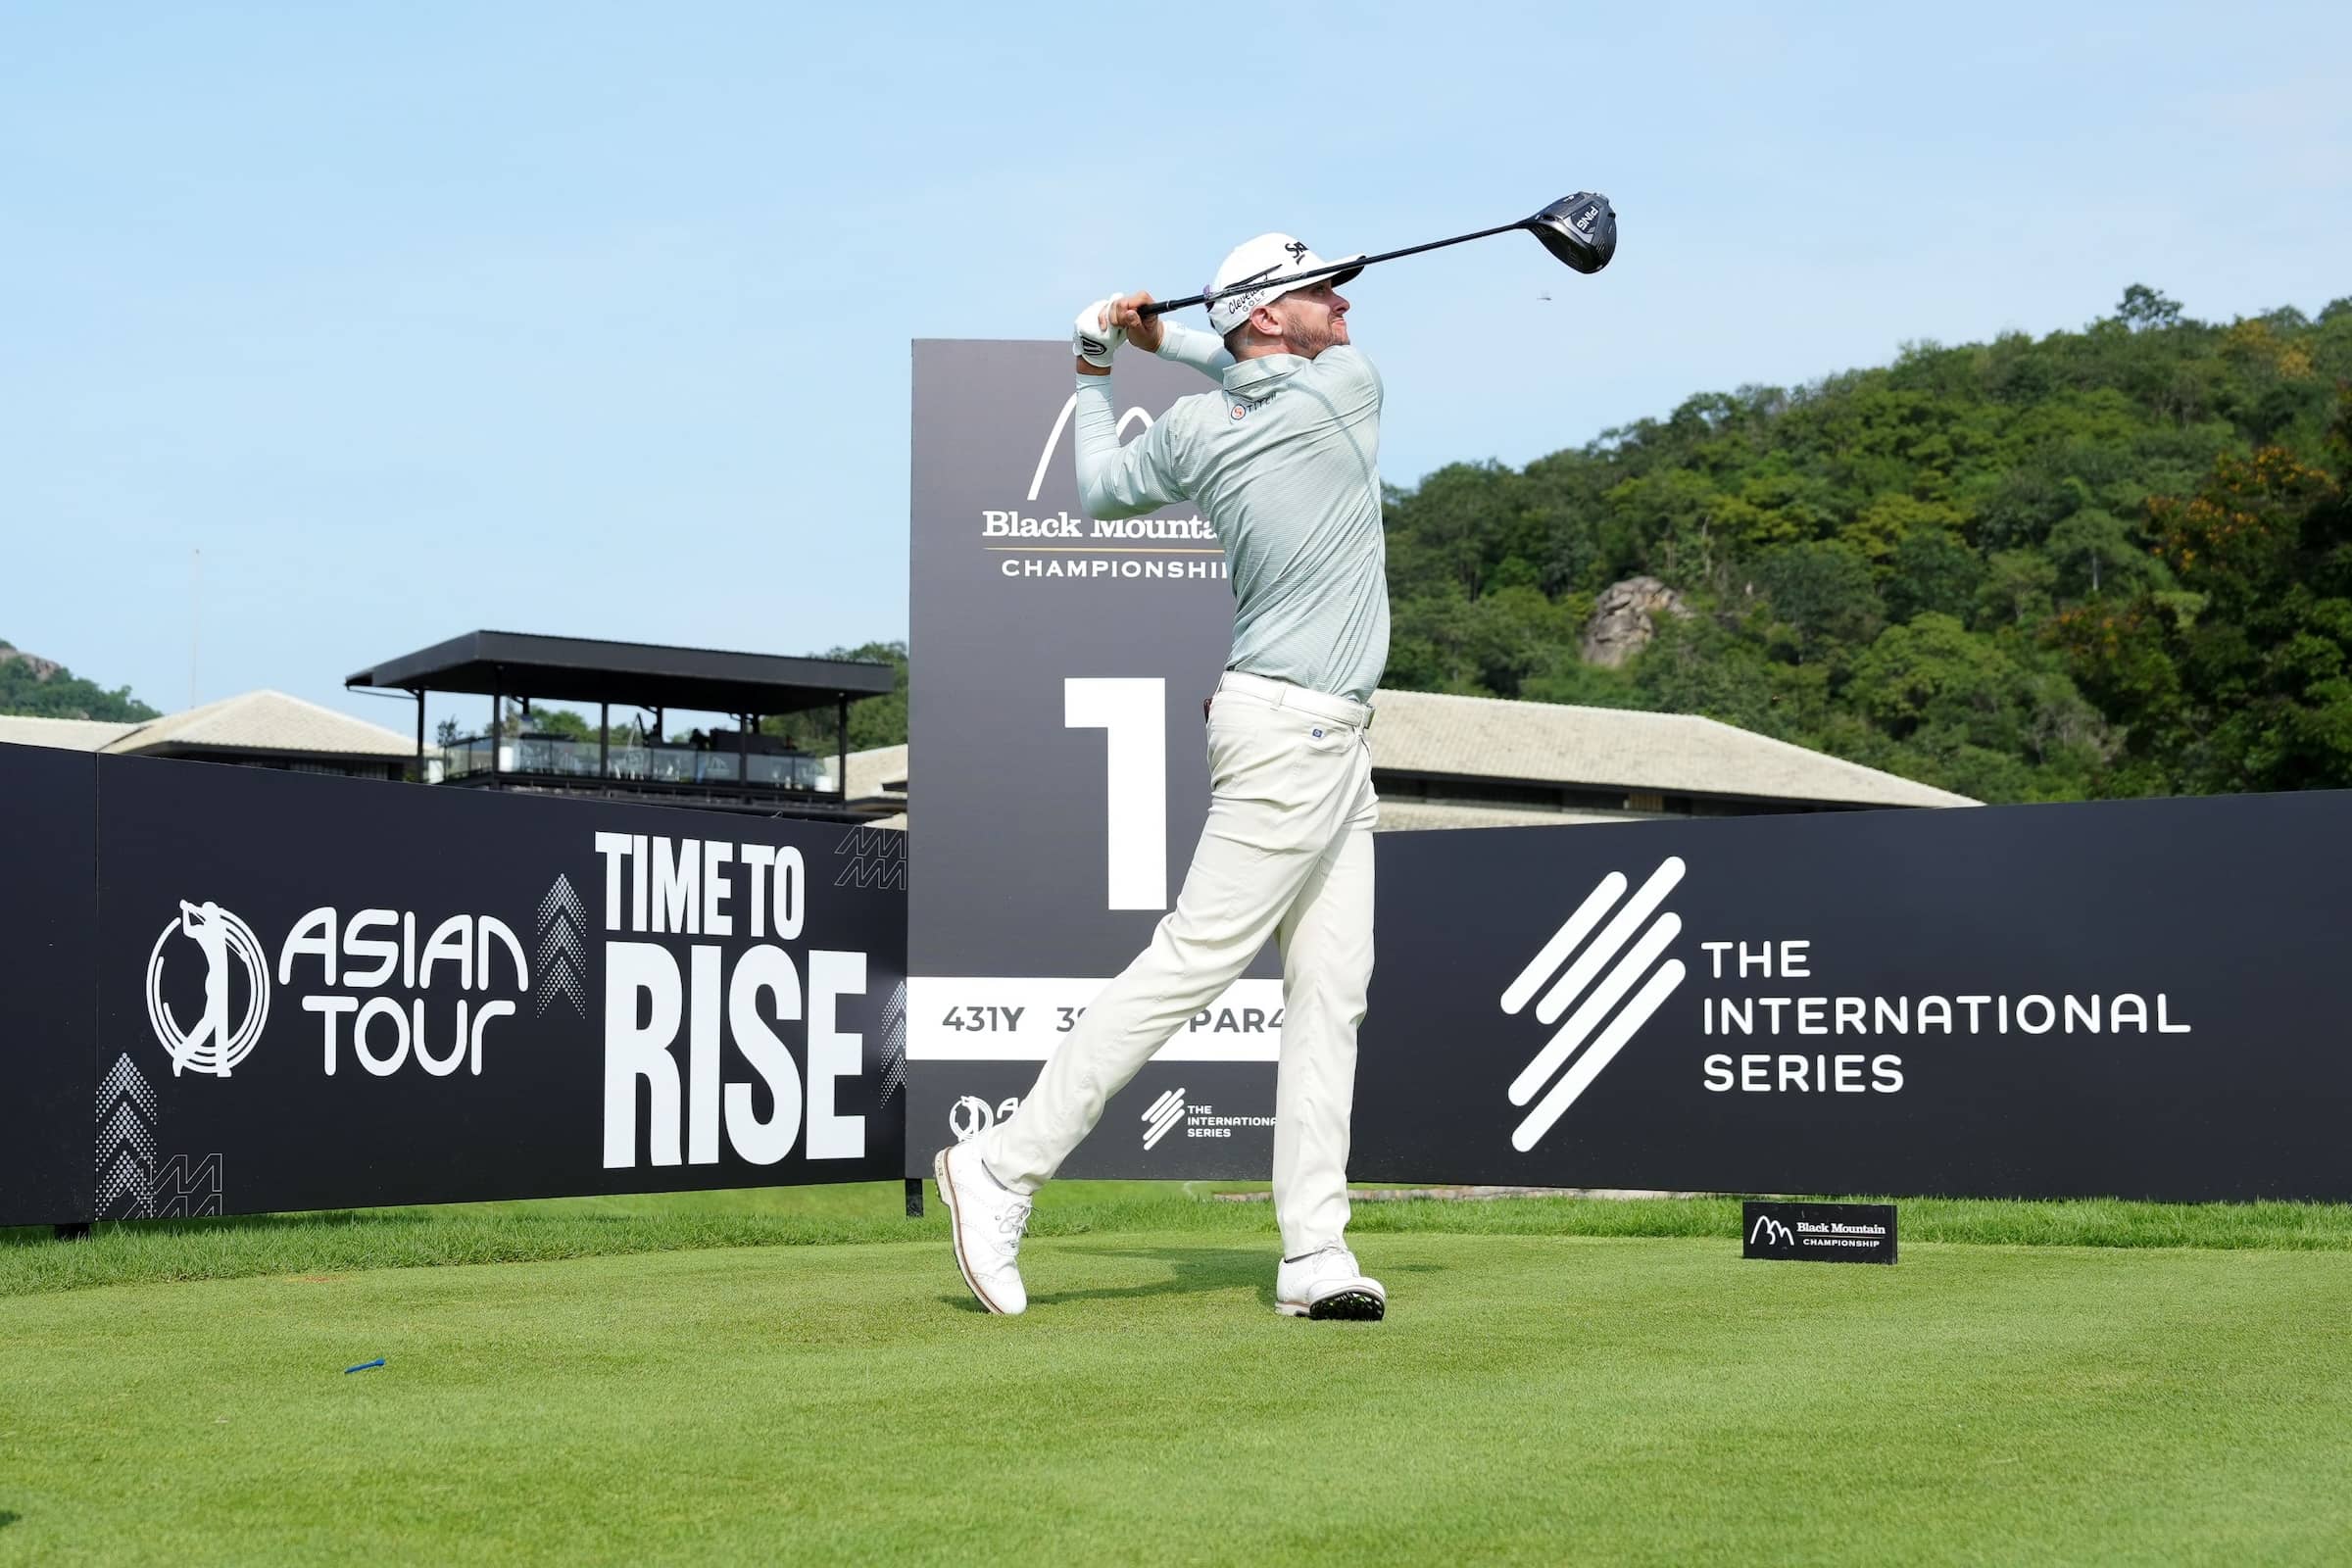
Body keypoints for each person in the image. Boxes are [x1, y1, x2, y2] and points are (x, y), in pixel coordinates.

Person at [935, 233, 1391, 1321]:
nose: (1346, 307)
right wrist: (1168, 340)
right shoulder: (1348, 391)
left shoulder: (1197, 427)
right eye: (1324, 291)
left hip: (1319, 730)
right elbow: (1245, 364)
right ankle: (1003, 1162)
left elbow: (1098, 487)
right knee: (1191, 963)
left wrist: (1104, 366)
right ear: (1274, 316)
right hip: (1291, 734)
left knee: (1332, 996)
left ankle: (1313, 1255)